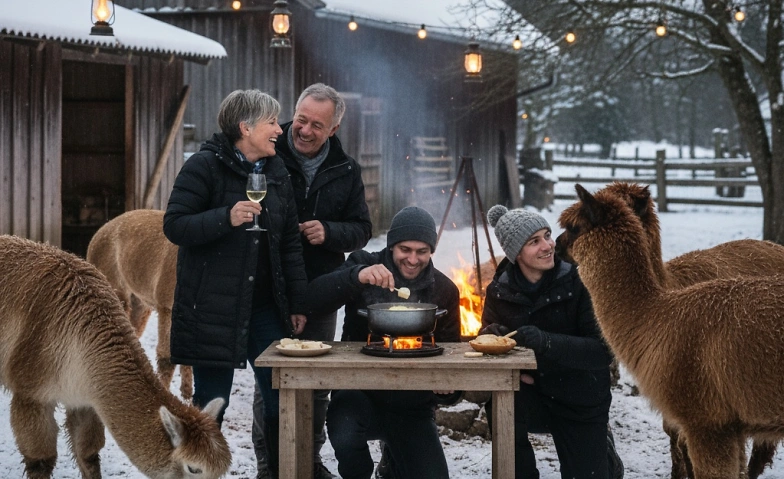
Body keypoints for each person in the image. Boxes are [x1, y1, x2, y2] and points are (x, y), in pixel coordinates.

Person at [163, 89, 308, 479]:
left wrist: (296, 304)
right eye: (272, 122)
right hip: (212, 309)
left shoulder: (277, 172)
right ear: (245, 127)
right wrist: (225, 217)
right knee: (213, 407)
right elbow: (175, 226)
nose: (281, 129)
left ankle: (281, 473)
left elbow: (289, 245)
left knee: (282, 400)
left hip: (265, 310)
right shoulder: (203, 167)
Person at [251, 83, 372, 479]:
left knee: (317, 381)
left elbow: (362, 229)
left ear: (333, 129)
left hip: (321, 288)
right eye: (300, 119)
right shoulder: (267, 152)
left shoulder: (346, 170)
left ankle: (309, 460)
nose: (303, 130)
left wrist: (331, 232)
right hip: (268, 285)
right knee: (271, 378)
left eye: (316, 125)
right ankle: (270, 466)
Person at [304, 206, 461, 479]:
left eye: (421, 251)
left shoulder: (443, 290)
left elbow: (452, 354)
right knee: (345, 429)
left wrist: (448, 390)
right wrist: (357, 276)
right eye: (405, 250)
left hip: (412, 406)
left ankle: (392, 464)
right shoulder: (365, 264)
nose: (413, 259)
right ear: (391, 246)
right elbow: (313, 300)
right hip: (357, 393)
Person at [479, 205, 624, 479]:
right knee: (501, 403)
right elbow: (487, 342)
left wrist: (546, 343)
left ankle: (602, 453)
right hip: (532, 394)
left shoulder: (581, 281)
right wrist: (491, 333)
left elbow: (602, 351)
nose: (548, 246)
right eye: (534, 241)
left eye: (547, 235)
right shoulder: (499, 290)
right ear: (516, 253)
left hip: (580, 396)